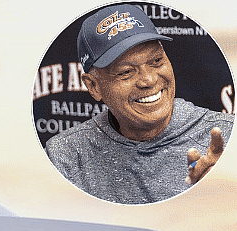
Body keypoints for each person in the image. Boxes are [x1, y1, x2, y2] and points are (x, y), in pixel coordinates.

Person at [45, 4, 233, 204]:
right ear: (94, 87)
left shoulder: (227, 135)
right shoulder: (66, 155)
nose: (149, 80)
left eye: (157, 61)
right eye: (126, 72)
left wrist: (227, 197)